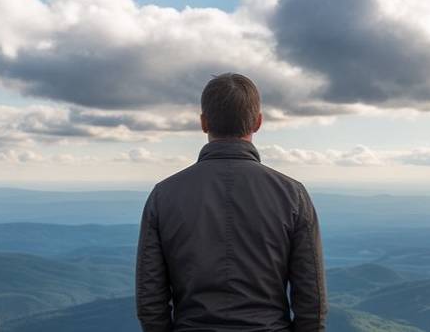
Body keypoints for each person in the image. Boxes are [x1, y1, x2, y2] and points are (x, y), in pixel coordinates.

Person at [135, 72, 327, 332]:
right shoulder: (292, 194)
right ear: (258, 122)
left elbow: (150, 298)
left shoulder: (164, 194)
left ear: (204, 122)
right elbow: (312, 300)